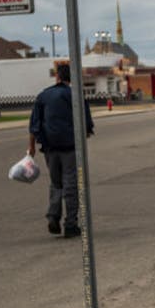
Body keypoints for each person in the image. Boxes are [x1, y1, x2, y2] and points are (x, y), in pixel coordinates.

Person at [28, 63, 93, 238]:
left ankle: (53, 217)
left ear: (57, 77)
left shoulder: (43, 96)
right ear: (71, 78)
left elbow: (34, 125)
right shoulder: (76, 96)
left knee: (56, 184)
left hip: (50, 149)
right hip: (70, 149)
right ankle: (71, 224)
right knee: (71, 185)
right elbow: (86, 126)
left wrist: (32, 147)